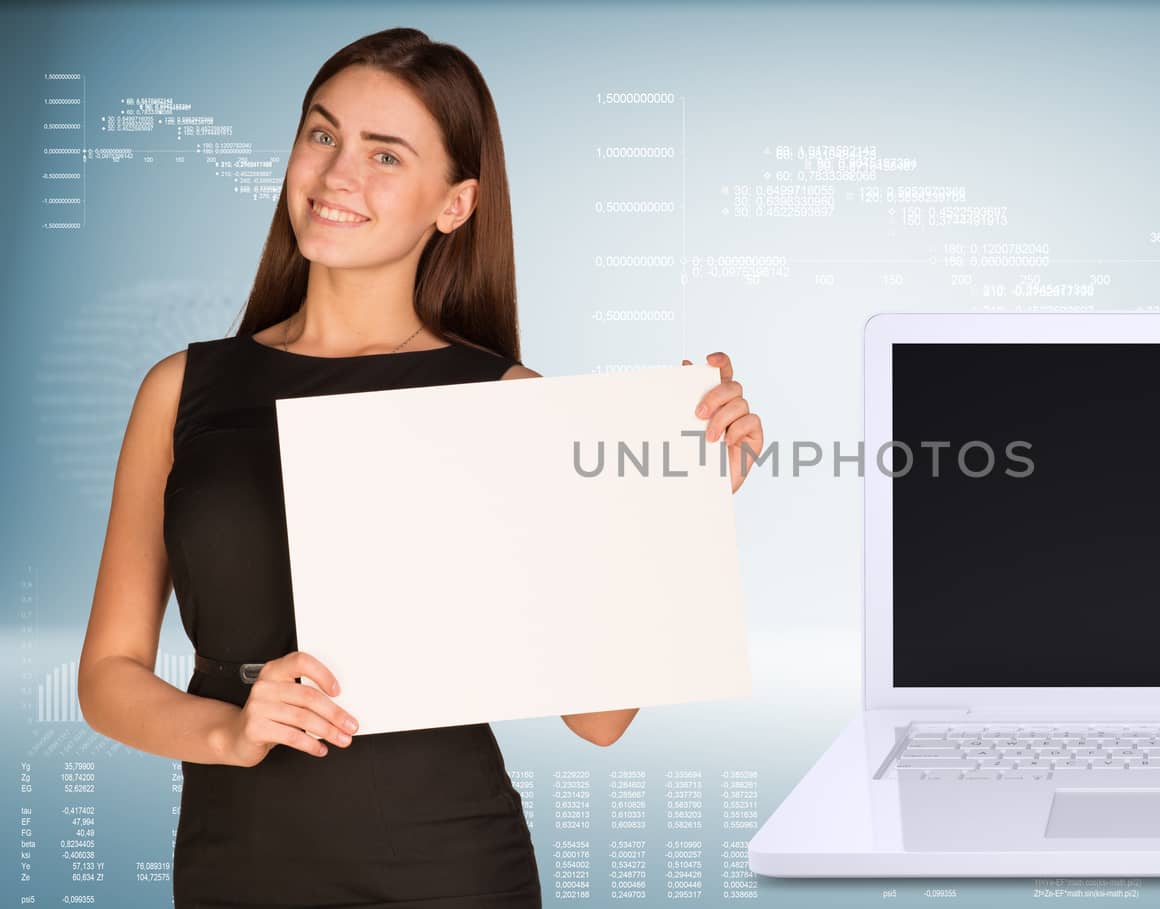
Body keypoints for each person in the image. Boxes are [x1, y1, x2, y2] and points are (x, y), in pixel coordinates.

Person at [75, 27, 763, 908]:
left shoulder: (509, 400)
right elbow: (107, 675)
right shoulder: (181, 389)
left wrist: (680, 503)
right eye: (322, 135)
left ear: (456, 203)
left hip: (450, 867)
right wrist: (228, 732)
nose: (336, 176)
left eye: (386, 155)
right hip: (233, 863)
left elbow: (598, 719)